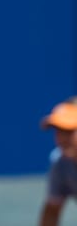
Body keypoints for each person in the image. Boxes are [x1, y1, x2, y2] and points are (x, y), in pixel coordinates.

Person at [39, 97, 77, 226]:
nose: (62, 138)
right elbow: (52, 212)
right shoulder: (60, 163)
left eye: (68, 131)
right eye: (58, 132)